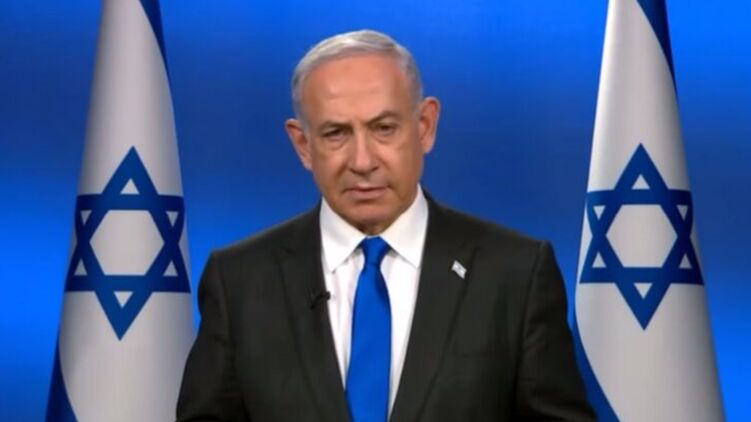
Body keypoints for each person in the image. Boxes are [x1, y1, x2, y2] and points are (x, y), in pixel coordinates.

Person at [176, 29, 594, 421]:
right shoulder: (240, 280)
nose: (363, 161)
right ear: (303, 144)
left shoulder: (515, 274)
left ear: (425, 126)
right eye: (336, 133)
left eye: (384, 128)